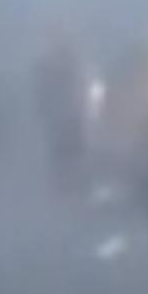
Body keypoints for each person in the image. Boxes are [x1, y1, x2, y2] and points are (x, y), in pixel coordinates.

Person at [34, 33, 91, 196]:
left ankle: (71, 183)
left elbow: (82, 86)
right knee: (61, 151)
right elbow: (41, 91)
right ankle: (63, 184)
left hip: (71, 114)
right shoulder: (47, 68)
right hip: (60, 115)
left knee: (72, 150)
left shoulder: (73, 66)